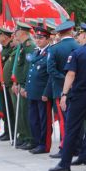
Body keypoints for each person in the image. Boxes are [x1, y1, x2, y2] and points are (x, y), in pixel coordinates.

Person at [49, 23, 86, 171]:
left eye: (80, 35)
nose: (78, 37)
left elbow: (71, 74)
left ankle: (64, 163)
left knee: (72, 129)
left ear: (85, 36)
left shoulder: (77, 53)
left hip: (80, 96)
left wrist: (64, 94)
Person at [46, 20, 80, 158]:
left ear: (59, 33)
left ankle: (64, 148)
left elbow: (51, 70)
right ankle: (77, 147)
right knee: (77, 120)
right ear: (71, 31)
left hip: (61, 90)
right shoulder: (78, 46)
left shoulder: (54, 49)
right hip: (77, 88)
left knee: (63, 120)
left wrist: (65, 80)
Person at [24, 26, 53, 154]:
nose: (38, 40)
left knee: (44, 120)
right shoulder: (36, 52)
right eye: (36, 37)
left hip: (42, 93)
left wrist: (46, 92)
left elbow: (50, 75)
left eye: (41, 38)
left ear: (48, 39)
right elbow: (30, 72)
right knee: (33, 119)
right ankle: (36, 141)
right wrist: (26, 87)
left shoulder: (50, 53)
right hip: (32, 91)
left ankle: (44, 145)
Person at [12, 22, 36, 150]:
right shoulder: (22, 46)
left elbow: (28, 67)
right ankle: (25, 136)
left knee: (27, 112)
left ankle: (30, 138)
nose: (15, 33)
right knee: (22, 112)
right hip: (22, 83)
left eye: (17, 31)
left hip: (26, 85)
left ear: (22, 32)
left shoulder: (29, 46)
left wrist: (25, 85)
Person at [0, 26, 16, 142]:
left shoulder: (11, 49)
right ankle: (7, 131)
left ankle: (12, 132)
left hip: (9, 83)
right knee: (5, 109)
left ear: (4, 36)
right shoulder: (4, 49)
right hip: (3, 83)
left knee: (10, 109)